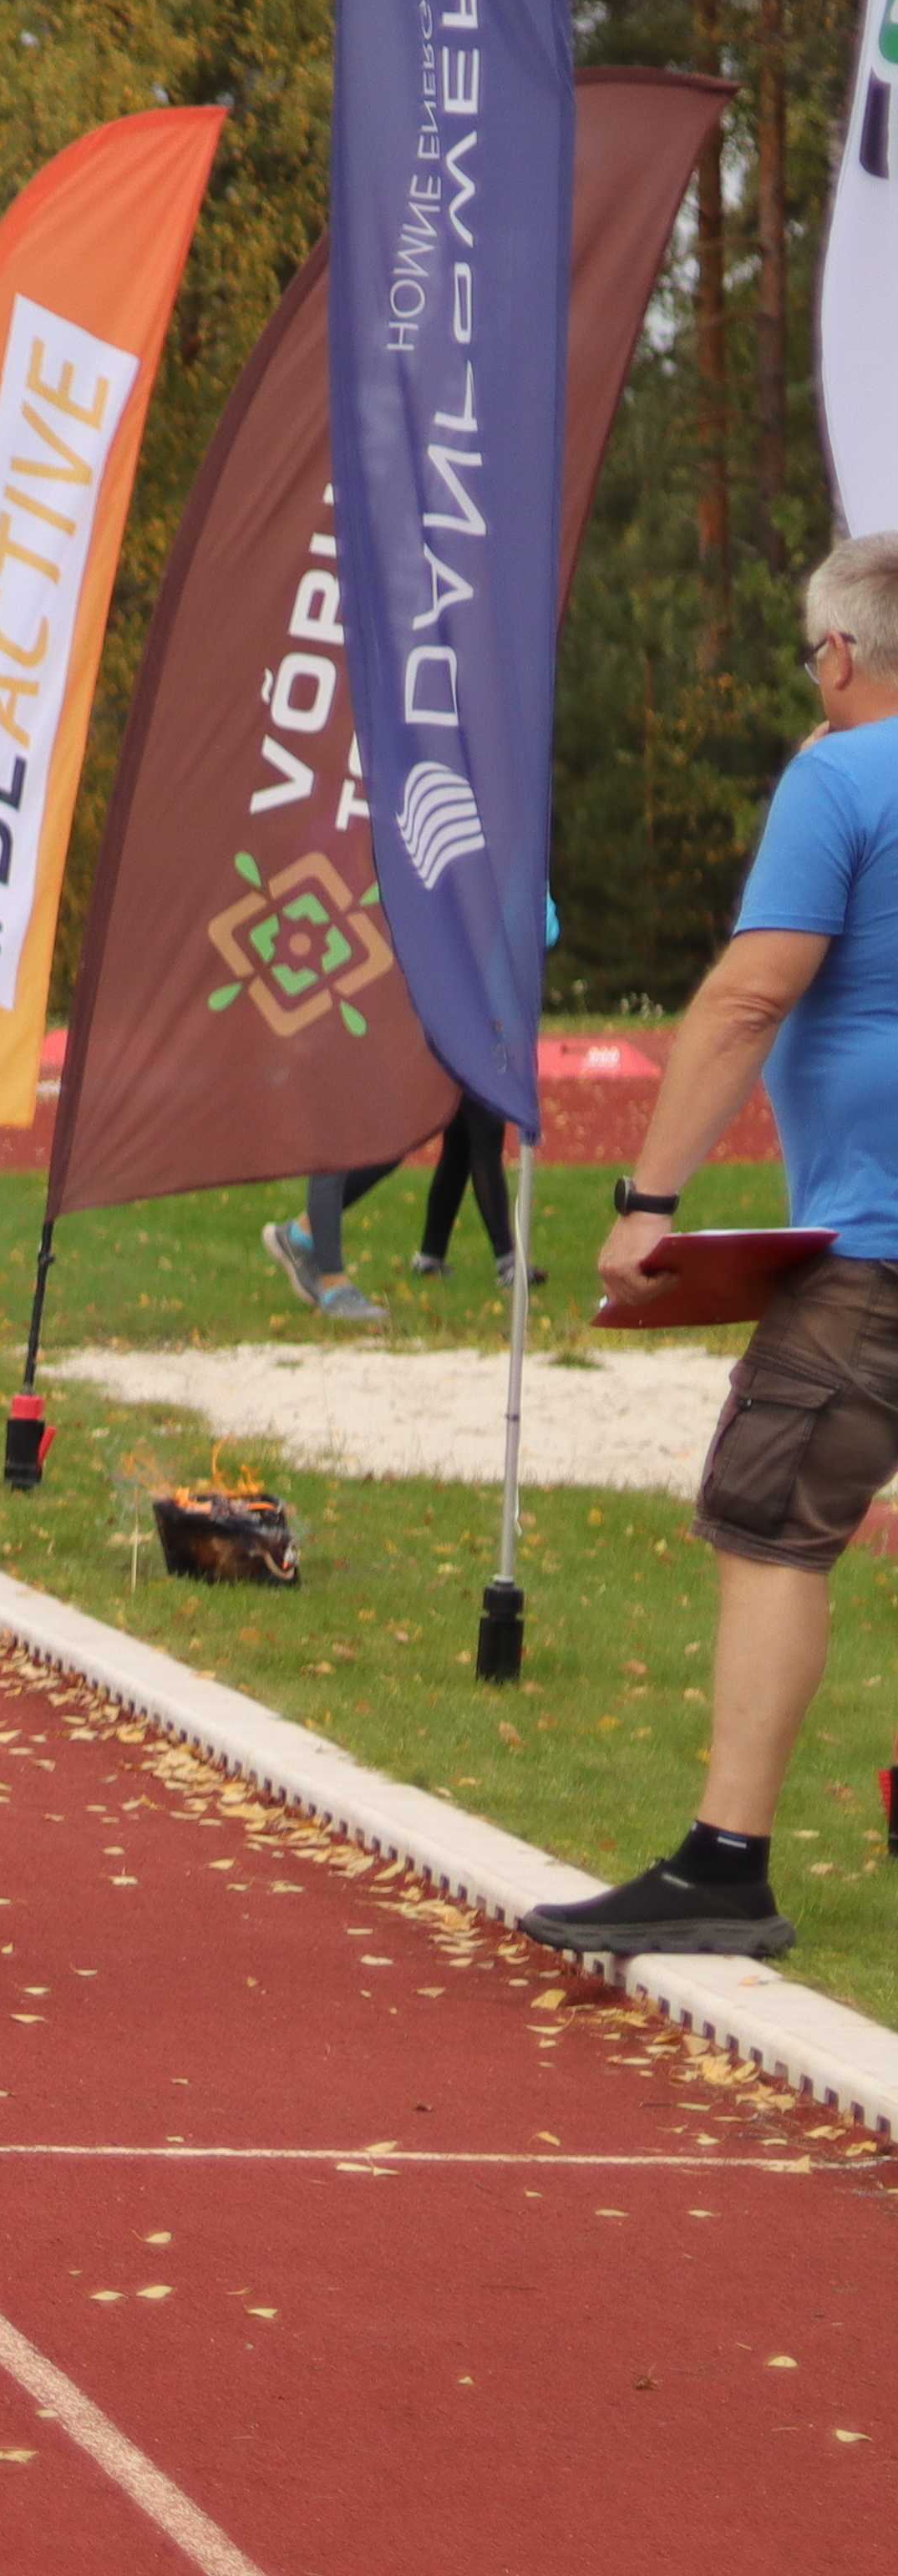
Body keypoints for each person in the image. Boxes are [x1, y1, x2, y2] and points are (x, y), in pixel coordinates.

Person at [530, 538, 898, 1962]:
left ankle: (725, 1863)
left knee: (771, 1522)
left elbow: (749, 996)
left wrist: (651, 1196)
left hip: (875, 1245)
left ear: (838, 657)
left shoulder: (839, 779)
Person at [268, 1082, 520, 1319]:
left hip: (366, 1050)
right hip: (329, 1055)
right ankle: (334, 1286)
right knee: (335, 1141)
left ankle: (301, 1234)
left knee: (390, 1146)